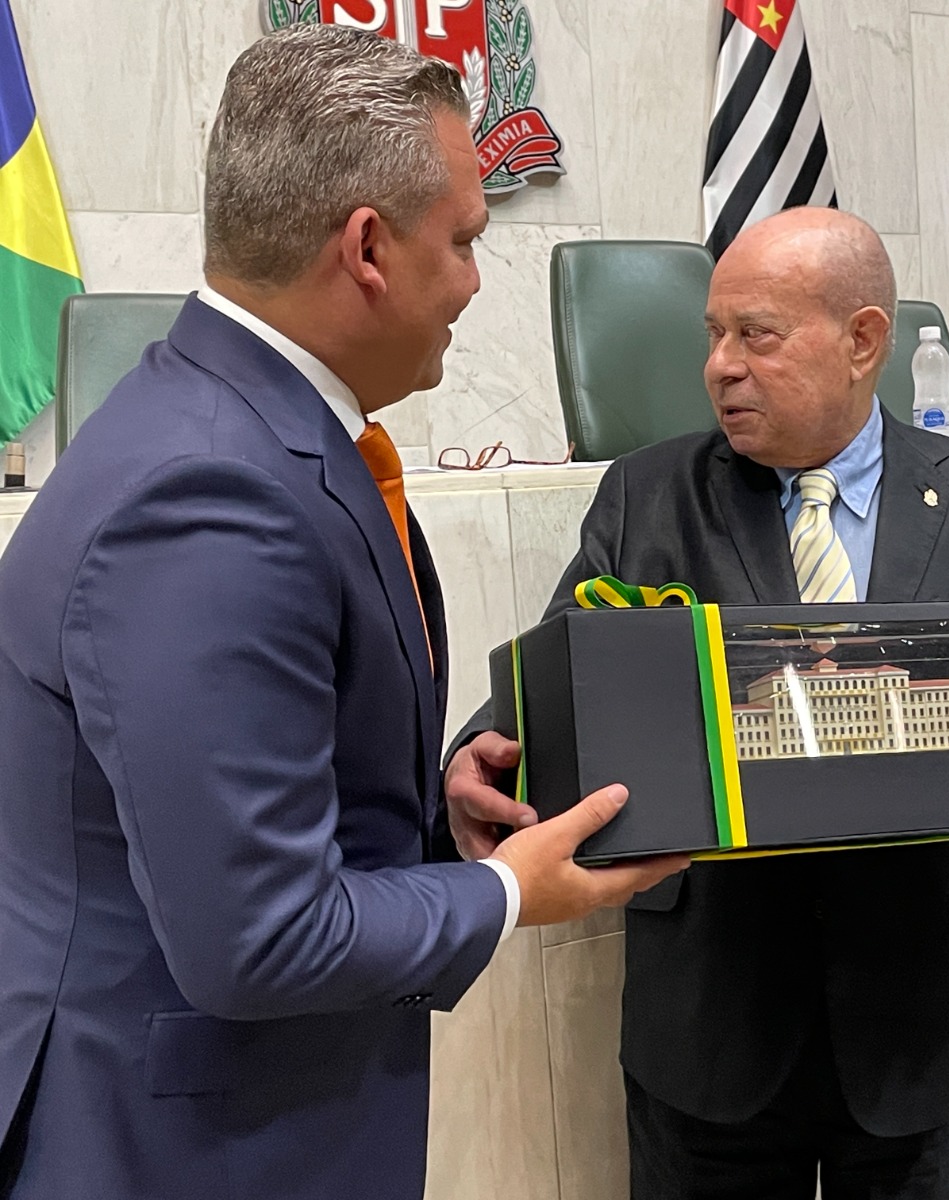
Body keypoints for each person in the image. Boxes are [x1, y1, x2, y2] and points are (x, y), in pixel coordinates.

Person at [0, 26, 681, 1200]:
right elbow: (257, 937)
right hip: (174, 1150)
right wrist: (510, 890)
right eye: (463, 241)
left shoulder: (241, 425)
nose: (474, 281)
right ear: (367, 248)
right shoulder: (208, 495)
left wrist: (432, 818)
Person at [445, 205, 949, 1199]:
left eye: (755, 335)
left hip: (920, 1027)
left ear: (863, 341)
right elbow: (560, 685)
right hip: (709, 1021)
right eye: (713, 335)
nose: (719, 366)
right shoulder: (647, 496)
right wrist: (479, 751)